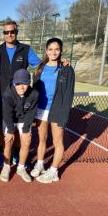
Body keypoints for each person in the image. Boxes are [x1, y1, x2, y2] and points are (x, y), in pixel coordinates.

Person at [0, 20, 40, 166]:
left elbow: (39, 65)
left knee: (19, 124)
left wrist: (58, 61)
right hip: (2, 97)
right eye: (6, 32)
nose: (9, 34)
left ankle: (17, 154)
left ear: (16, 33)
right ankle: (2, 153)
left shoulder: (26, 50)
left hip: (21, 98)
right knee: (2, 127)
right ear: (3, 34)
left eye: (11, 32)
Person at [31, 38, 75, 183]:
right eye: (50, 49)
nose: (53, 52)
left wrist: (65, 114)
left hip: (57, 109)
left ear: (61, 51)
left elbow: (69, 93)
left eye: (57, 49)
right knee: (41, 139)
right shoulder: (40, 68)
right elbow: (34, 90)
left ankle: (54, 171)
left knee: (57, 141)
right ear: (46, 51)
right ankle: (40, 163)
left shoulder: (67, 69)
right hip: (41, 109)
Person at [0, 69, 39, 183]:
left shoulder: (34, 94)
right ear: (13, 83)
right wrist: (11, 131)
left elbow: (31, 113)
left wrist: (26, 129)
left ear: (29, 83)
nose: (21, 87)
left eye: (25, 83)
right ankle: (6, 166)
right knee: (8, 141)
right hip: (10, 119)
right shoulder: (7, 94)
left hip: (24, 119)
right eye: (18, 83)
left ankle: (21, 168)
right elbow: (7, 114)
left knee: (27, 140)